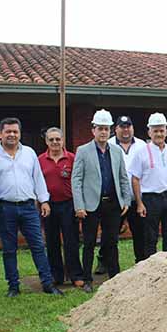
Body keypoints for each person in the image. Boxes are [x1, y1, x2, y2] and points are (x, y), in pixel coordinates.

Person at [0, 117, 64, 297]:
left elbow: (37, 178)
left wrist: (44, 200)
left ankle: (47, 283)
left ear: (20, 133)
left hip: (29, 207)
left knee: (38, 246)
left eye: (15, 131)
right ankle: (13, 286)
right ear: (0, 134)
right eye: (8, 131)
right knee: (9, 249)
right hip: (4, 208)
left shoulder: (29, 153)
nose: (12, 135)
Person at [72, 110, 131, 284]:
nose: (103, 132)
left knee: (111, 242)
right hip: (91, 204)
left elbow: (123, 177)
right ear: (93, 130)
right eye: (100, 128)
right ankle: (87, 279)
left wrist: (126, 200)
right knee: (89, 243)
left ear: (110, 130)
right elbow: (76, 180)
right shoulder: (83, 151)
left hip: (112, 203)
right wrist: (79, 206)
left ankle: (115, 278)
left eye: (106, 129)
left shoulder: (117, 151)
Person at [129, 112, 167, 258]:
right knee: (150, 236)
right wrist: (139, 203)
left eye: (161, 130)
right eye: (155, 130)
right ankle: (152, 268)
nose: (159, 134)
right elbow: (135, 179)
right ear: (149, 131)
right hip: (150, 198)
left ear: (166, 131)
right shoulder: (141, 152)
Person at [38, 127, 88, 291]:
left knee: (71, 241)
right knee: (51, 241)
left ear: (62, 140)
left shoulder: (72, 158)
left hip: (69, 204)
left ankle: (76, 275)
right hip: (48, 205)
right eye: (51, 139)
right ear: (46, 141)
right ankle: (56, 275)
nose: (54, 142)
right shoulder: (40, 160)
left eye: (57, 139)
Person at [107, 115, 148, 265]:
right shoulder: (109, 144)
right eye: (122, 127)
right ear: (116, 129)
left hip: (138, 198)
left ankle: (141, 262)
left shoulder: (142, 145)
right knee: (111, 234)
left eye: (128, 126)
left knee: (140, 234)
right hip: (116, 198)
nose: (126, 130)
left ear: (132, 128)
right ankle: (106, 262)